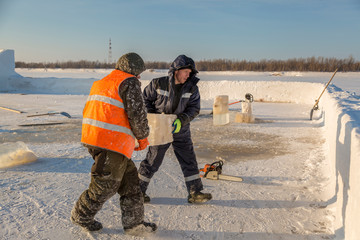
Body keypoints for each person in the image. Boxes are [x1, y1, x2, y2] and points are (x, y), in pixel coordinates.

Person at [70, 52, 157, 236]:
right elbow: (137, 115)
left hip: (98, 139)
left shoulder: (103, 82)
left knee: (131, 184)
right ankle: (81, 215)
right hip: (110, 143)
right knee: (105, 185)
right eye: (138, 72)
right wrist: (142, 138)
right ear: (132, 70)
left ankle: (134, 225)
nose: (139, 77)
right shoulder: (129, 82)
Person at [138, 54, 212, 204]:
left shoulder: (192, 88)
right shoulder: (158, 83)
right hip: (160, 129)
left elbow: (194, 108)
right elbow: (145, 100)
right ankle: (137, 192)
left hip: (181, 129)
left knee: (189, 160)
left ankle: (195, 192)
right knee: (152, 160)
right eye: (186, 72)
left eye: (190, 73)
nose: (188, 75)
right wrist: (154, 117)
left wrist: (182, 120)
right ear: (177, 70)